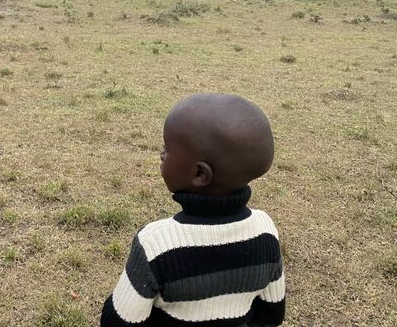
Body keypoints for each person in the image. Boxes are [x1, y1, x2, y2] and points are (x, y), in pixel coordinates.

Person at [101, 94, 286, 326]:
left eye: (167, 150)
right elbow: (272, 314)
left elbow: (118, 321)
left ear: (200, 174)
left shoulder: (156, 242)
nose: (161, 154)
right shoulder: (265, 230)